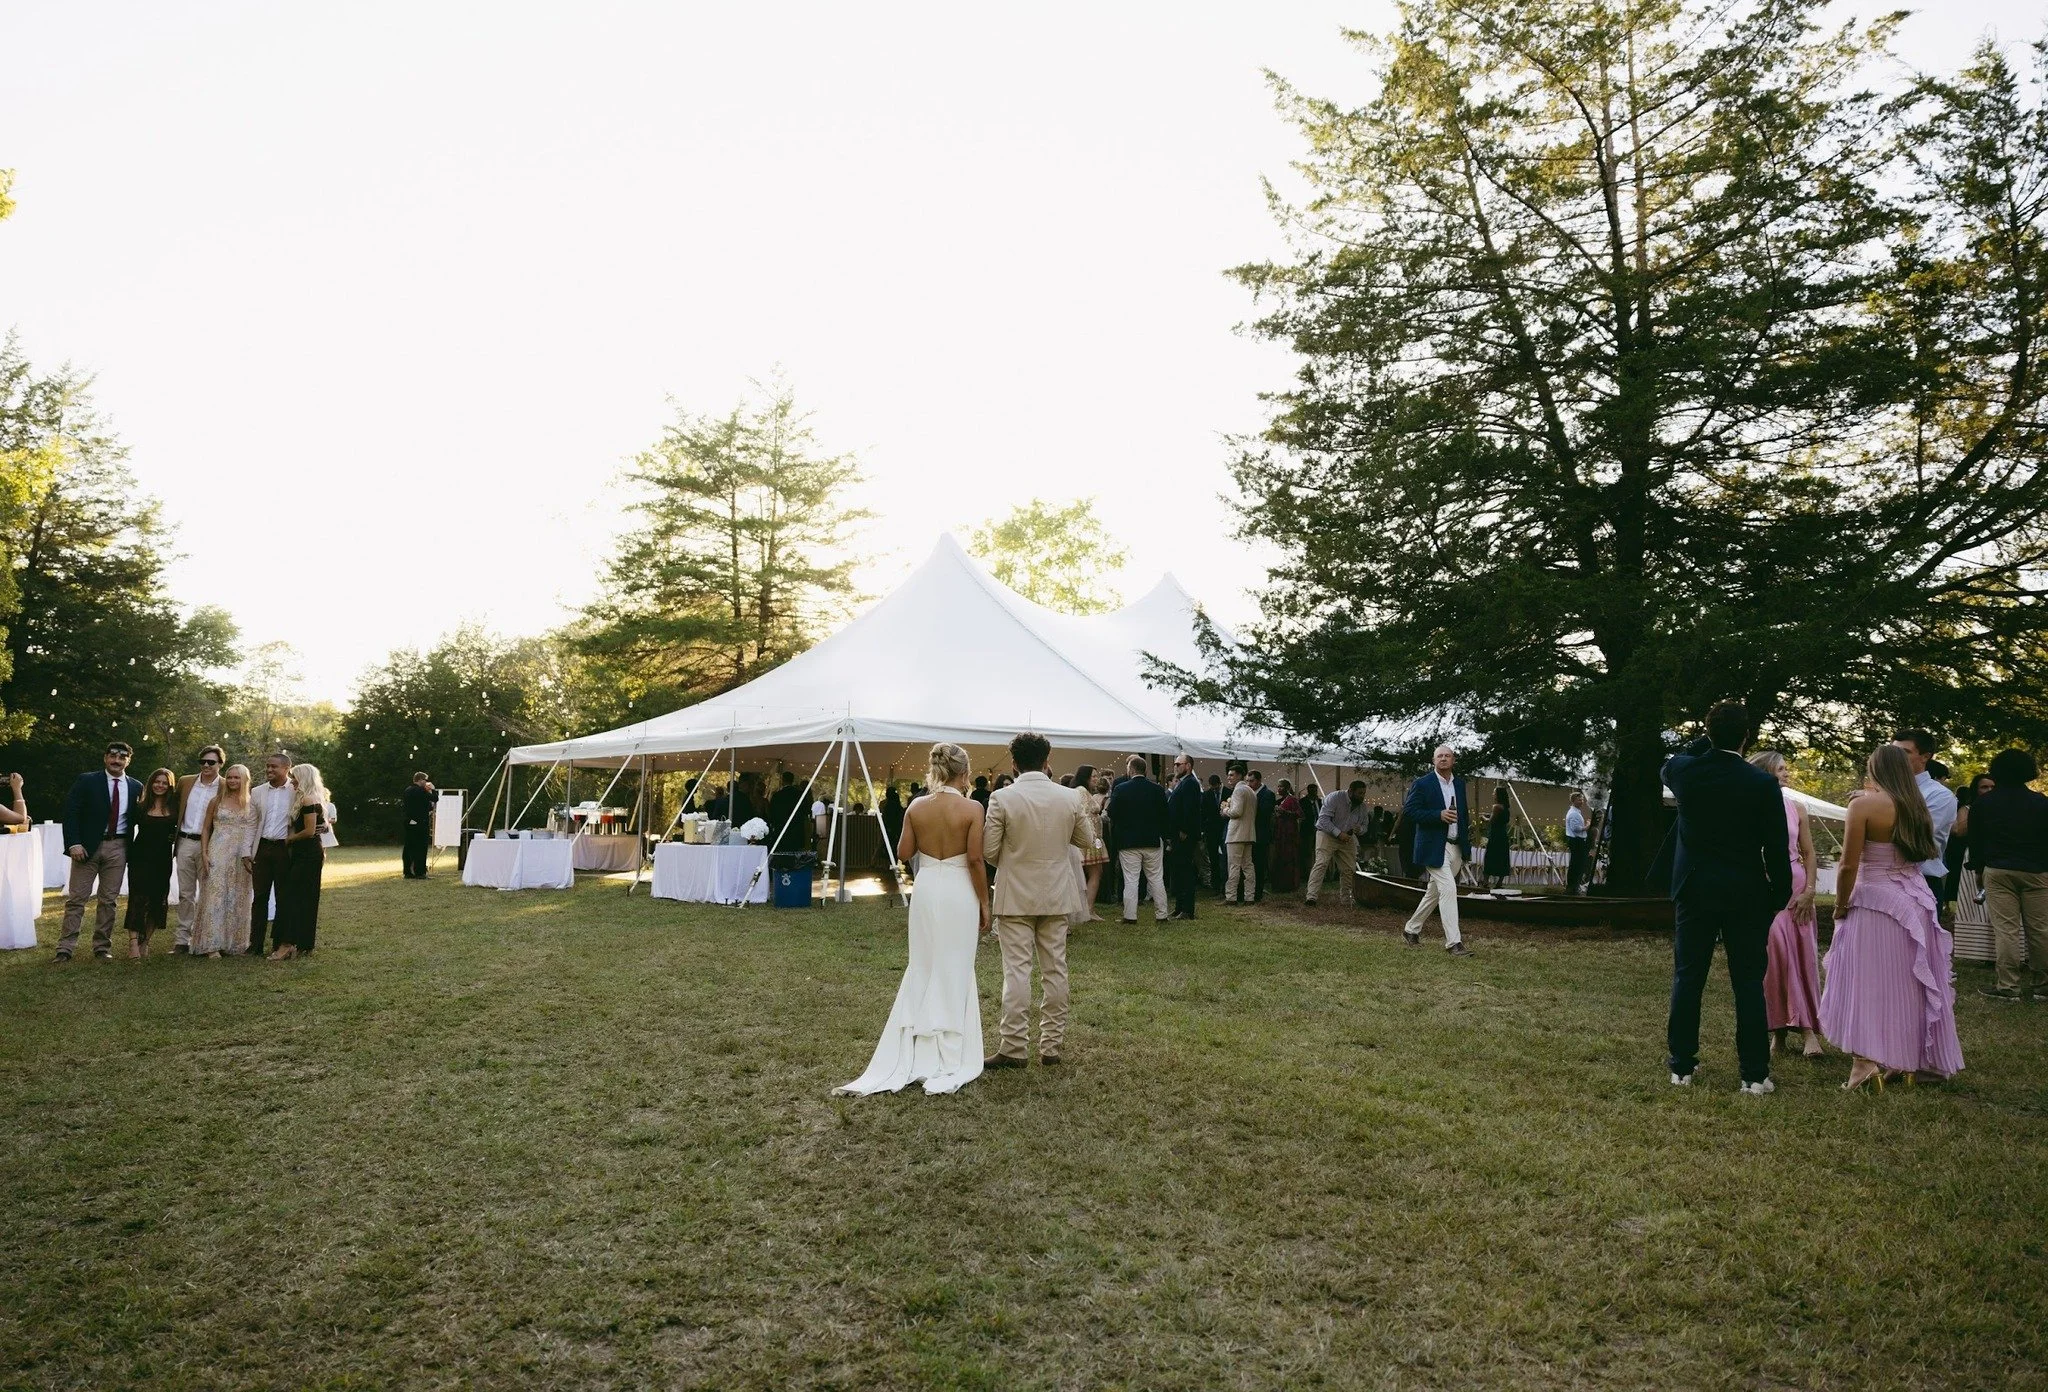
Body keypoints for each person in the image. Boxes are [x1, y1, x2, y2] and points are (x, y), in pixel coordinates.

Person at [835, 745, 990, 1096]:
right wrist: (985, 902)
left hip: (927, 889)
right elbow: (976, 860)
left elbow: (904, 852)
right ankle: (948, 1046)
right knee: (956, 963)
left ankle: (918, 1043)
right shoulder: (972, 808)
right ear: (964, 773)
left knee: (924, 962)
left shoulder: (917, 807)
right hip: (958, 891)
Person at [1662, 702, 1793, 1094]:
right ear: (1746, 737)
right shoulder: (1761, 783)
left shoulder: (1685, 772)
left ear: (1708, 733)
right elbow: (1775, 847)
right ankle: (1754, 1074)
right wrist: (1779, 894)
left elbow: (1676, 758)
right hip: (1746, 891)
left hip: (1695, 887)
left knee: (1688, 976)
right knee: (1748, 982)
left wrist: (1710, 735)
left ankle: (1681, 1066)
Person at [1820, 743, 1966, 1089]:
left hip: (1875, 903)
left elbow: (1848, 864)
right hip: (1915, 902)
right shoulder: (1917, 806)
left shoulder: (1865, 805)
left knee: (1867, 981)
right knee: (1906, 984)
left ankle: (1864, 1063)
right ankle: (1904, 1060)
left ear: (1875, 769)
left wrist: (1841, 905)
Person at [982, 732, 1095, 1068]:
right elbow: (1087, 838)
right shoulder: (1069, 797)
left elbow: (989, 852)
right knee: (1055, 969)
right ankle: (1051, 1046)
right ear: (1047, 759)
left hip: (1015, 894)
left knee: (1016, 971)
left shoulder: (1002, 798)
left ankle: (1014, 1047)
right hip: (1057, 893)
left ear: (1014, 763)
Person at [1750, 751, 1823, 1058]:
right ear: (1767, 772)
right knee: (1775, 959)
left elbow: (1809, 851)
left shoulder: (1797, 808)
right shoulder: (1748, 806)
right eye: (1781, 769)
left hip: (1796, 889)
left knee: (1802, 958)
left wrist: (1810, 890)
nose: (1787, 774)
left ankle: (1808, 1032)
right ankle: (1778, 1031)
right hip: (1761, 889)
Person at [1969, 748, 2048, 1002]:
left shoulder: (1984, 803)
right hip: (2037, 871)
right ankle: (2043, 985)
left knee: (2006, 930)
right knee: (2040, 930)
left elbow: (1977, 841)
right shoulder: (2041, 802)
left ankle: (2008, 986)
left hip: (1999, 869)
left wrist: (1979, 871)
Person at [56, 741, 145, 963]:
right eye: (113, 756)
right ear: (105, 758)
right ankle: (65, 948)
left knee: (109, 900)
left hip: (119, 847)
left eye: (122, 757)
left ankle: (102, 947)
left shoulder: (136, 786)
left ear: (128, 760)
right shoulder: (87, 780)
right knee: (77, 899)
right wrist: (73, 843)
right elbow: (71, 812)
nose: (117, 760)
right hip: (86, 848)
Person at [1402, 745, 1473, 955]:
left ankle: (1411, 929)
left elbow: (1464, 815)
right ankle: (1454, 943)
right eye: (1439, 756)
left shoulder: (1459, 784)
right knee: (1449, 889)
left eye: (1447, 756)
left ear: (1453, 760)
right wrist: (1438, 815)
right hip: (1433, 846)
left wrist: (1465, 844)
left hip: (1455, 845)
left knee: (1434, 892)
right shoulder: (1423, 783)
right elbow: (1410, 811)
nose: (1443, 759)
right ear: (1433, 760)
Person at [190, 764, 258, 958]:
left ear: (245, 779)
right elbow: (205, 829)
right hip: (218, 850)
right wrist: (204, 852)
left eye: (237, 778)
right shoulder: (217, 800)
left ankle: (235, 943)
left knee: (238, 896)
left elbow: (253, 829)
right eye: (229, 777)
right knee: (215, 894)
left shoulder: (251, 803)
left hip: (241, 854)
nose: (233, 781)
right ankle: (211, 944)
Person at [270, 763, 329, 960]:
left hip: (308, 854)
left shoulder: (307, 800)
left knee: (292, 897)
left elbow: (310, 831)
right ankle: (303, 943)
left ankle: (287, 944)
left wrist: (287, 840)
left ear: (303, 778)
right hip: (305, 852)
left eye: (295, 777)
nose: (292, 781)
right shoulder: (309, 798)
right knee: (304, 897)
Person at [1892, 729, 1957, 908]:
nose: (1896, 759)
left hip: (1922, 881)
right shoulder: (1882, 791)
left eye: (1904, 753)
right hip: (1882, 881)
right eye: (1893, 752)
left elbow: (1916, 835)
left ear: (1925, 757)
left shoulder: (1939, 795)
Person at [172, 747, 226, 951]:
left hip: (212, 845)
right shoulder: (186, 781)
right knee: (186, 893)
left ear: (220, 764)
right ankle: (182, 939)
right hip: (185, 841)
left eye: (211, 762)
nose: (205, 765)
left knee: (208, 892)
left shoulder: (225, 785)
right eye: (202, 761)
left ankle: (204, 937)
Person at [120, 768, 178, 959]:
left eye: (164, 783)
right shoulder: (140, 807)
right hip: (140, 858)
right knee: (137, 899)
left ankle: (146, 942)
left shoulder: (175, 808)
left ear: (169, 786)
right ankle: (133, 944)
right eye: (157, 781)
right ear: (151, 783)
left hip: (162, 860)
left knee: (157, 900)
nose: (160, 785)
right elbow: (127, 830)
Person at [1108, 754, 1169, 923]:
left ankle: (1130, 916)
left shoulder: (1121, 789)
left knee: (1131, 880)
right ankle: (1162, 914)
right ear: (1146, 770)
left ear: (1130, 769)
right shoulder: (1157, 789)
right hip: (1152, 840)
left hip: (1128, 842)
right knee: (1156, 878)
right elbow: (1165, 815)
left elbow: (1112, 812)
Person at [247, 753, 296, 957]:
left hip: (285, 849)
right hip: (263, 848)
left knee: (283, 897)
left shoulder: (296, 790)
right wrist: (246, 852)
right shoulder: (257, 792)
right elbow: (251, 823)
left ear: (286, 768)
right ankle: (255, 944)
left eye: (274, 767)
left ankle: (279, 943)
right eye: (267, 766)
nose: (269, 770)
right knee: (259, 898)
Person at [1305, 780, 1370, 904]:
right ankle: (1311, 897)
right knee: (1321, 863)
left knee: (1349, 869)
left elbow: (1365, 826)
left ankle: (1346, 899)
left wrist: (1360, 829)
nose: (1362, 796)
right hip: (1326, 834)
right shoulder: (1335, 798)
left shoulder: (1362, 807)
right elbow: (1323, 820)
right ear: (1351, 791)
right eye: (1360, 793)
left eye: (1364, 793)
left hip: (1347, 838)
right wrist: (1339, 834)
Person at [1165, 753, 1203, 921]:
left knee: (1185, 871)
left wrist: (1184, 830)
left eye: (1178, 764)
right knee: (1179, 871)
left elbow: (1190, 809)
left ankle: (1187, 909)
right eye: (1175, 764)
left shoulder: (1191, 784)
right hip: (1177, 833)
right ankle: (1180, 907)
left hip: (1184, 835)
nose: (1175, 766)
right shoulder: (1183, 783)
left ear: (1188, 766)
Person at [1073, 765, 1107, 922]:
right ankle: (1088, 909)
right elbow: (1084, 817)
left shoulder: (1083, 792)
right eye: (1093, 776)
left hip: (1093, 839)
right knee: (1095, 873)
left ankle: (1086, 908)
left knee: (1090, 873)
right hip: (1091, 840)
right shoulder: (1081, 791)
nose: (1096, 779)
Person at [1220, 767, 1258, 904]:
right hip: (1249, 833)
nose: (1229, 777)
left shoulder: (1239, 790)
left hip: (1236, 834)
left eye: (1231, 775)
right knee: (1248, 866)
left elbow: (1236, 812)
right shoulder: (1251, 791)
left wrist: (1225, 810)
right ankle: (1249, 897)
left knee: (1233, 866)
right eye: (1228, 775)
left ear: (1239, 776)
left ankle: (1231, 897)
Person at [1248, 770, 1277, 901]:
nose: (1249, 783)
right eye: (1248, 781)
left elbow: (1265, 814)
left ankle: (1257, 893)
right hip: (1249, 833)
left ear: (1259, 780)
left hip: (1260, 834)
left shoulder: (1268, 794)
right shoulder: (1249, 793)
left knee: (1259, 864)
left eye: (1252, 781)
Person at [400, 771, 435, 878]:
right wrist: (432, 789)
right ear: (420, 780)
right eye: (425, 780)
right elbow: (435, 798)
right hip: (420, 823)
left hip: (409, 821)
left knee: (409, 847)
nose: (426, 782)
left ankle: (407, 871)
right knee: (421, 847)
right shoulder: (421, 790)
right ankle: (420, 872)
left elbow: (422, 805)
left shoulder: (407, 790)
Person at [1270, 779, 1302, 895]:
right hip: (1280, 833)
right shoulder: (1281, 800)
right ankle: (1280, 884)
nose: (1279, 789)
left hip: (1289, 834)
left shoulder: (1291, 799)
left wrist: (1285, 812)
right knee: (1279, 858)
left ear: (1287, 788)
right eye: (1278, 786)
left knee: (1288, 859)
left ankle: (1289, 885)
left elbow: (1300, 814)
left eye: (1281, 787)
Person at [1482, 784, 1514, 890]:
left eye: (1494, 792)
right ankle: (1499, 882)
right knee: (1502, 858)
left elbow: (1491, 820)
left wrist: (1483, 817)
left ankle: (1485, 881)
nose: (1493, 794)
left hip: (1495, 835)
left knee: (1490, 857)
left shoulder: (1496, 807)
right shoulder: (1506, 808)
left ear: (1498, 795)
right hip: (1503, 835)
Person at [1564, 792, 1592, 893]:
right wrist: (1588, 825)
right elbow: (1576, 829)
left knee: (1577, 863)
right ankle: (1573, 885)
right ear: (1574, 800)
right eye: (1579, 799)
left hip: (1577, 841)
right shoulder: (1573, 813)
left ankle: (1575, 884)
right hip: (1576, 841)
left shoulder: (1576, 812)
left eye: (1582, 799)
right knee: (1576, 864)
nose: (1582, 801)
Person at [1296, 781, 1321, 886]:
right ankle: (1306, 874)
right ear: (1308, 791)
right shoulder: (1303, 802)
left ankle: (1317, 874)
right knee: (1306, 853)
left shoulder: (1319, 802)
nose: (1314, 792)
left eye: (1315, 790)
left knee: (1318, 852)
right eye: (1312, 790)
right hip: (1308, 831)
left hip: (1319, 830)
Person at [1204, 774, 1226, 890]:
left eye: (1216, 787)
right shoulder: (1207, 794)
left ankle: (1225, 883)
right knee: (1213, 858)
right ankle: (1216, 885)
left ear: (1220, 783)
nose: (1214, 790)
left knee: (1225, 858)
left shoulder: (1228, 792)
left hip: (1224, 829)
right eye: (1212, 788)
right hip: (1211, 831)